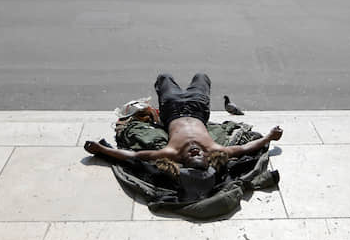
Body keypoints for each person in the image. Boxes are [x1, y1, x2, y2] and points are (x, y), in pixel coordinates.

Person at [84, 73, 283, 171]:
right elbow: (246, 148)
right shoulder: (214, 149)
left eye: (192, 157)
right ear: (207, 157)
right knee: (201, 76)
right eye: (199, 155)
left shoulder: (170, 153)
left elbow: (132, 155)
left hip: (172, 109)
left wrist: (101, 150)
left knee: (164, 77)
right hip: (197, 108)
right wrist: (269, 137)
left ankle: (167, 83)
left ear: (184, 161)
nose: (195, 152)